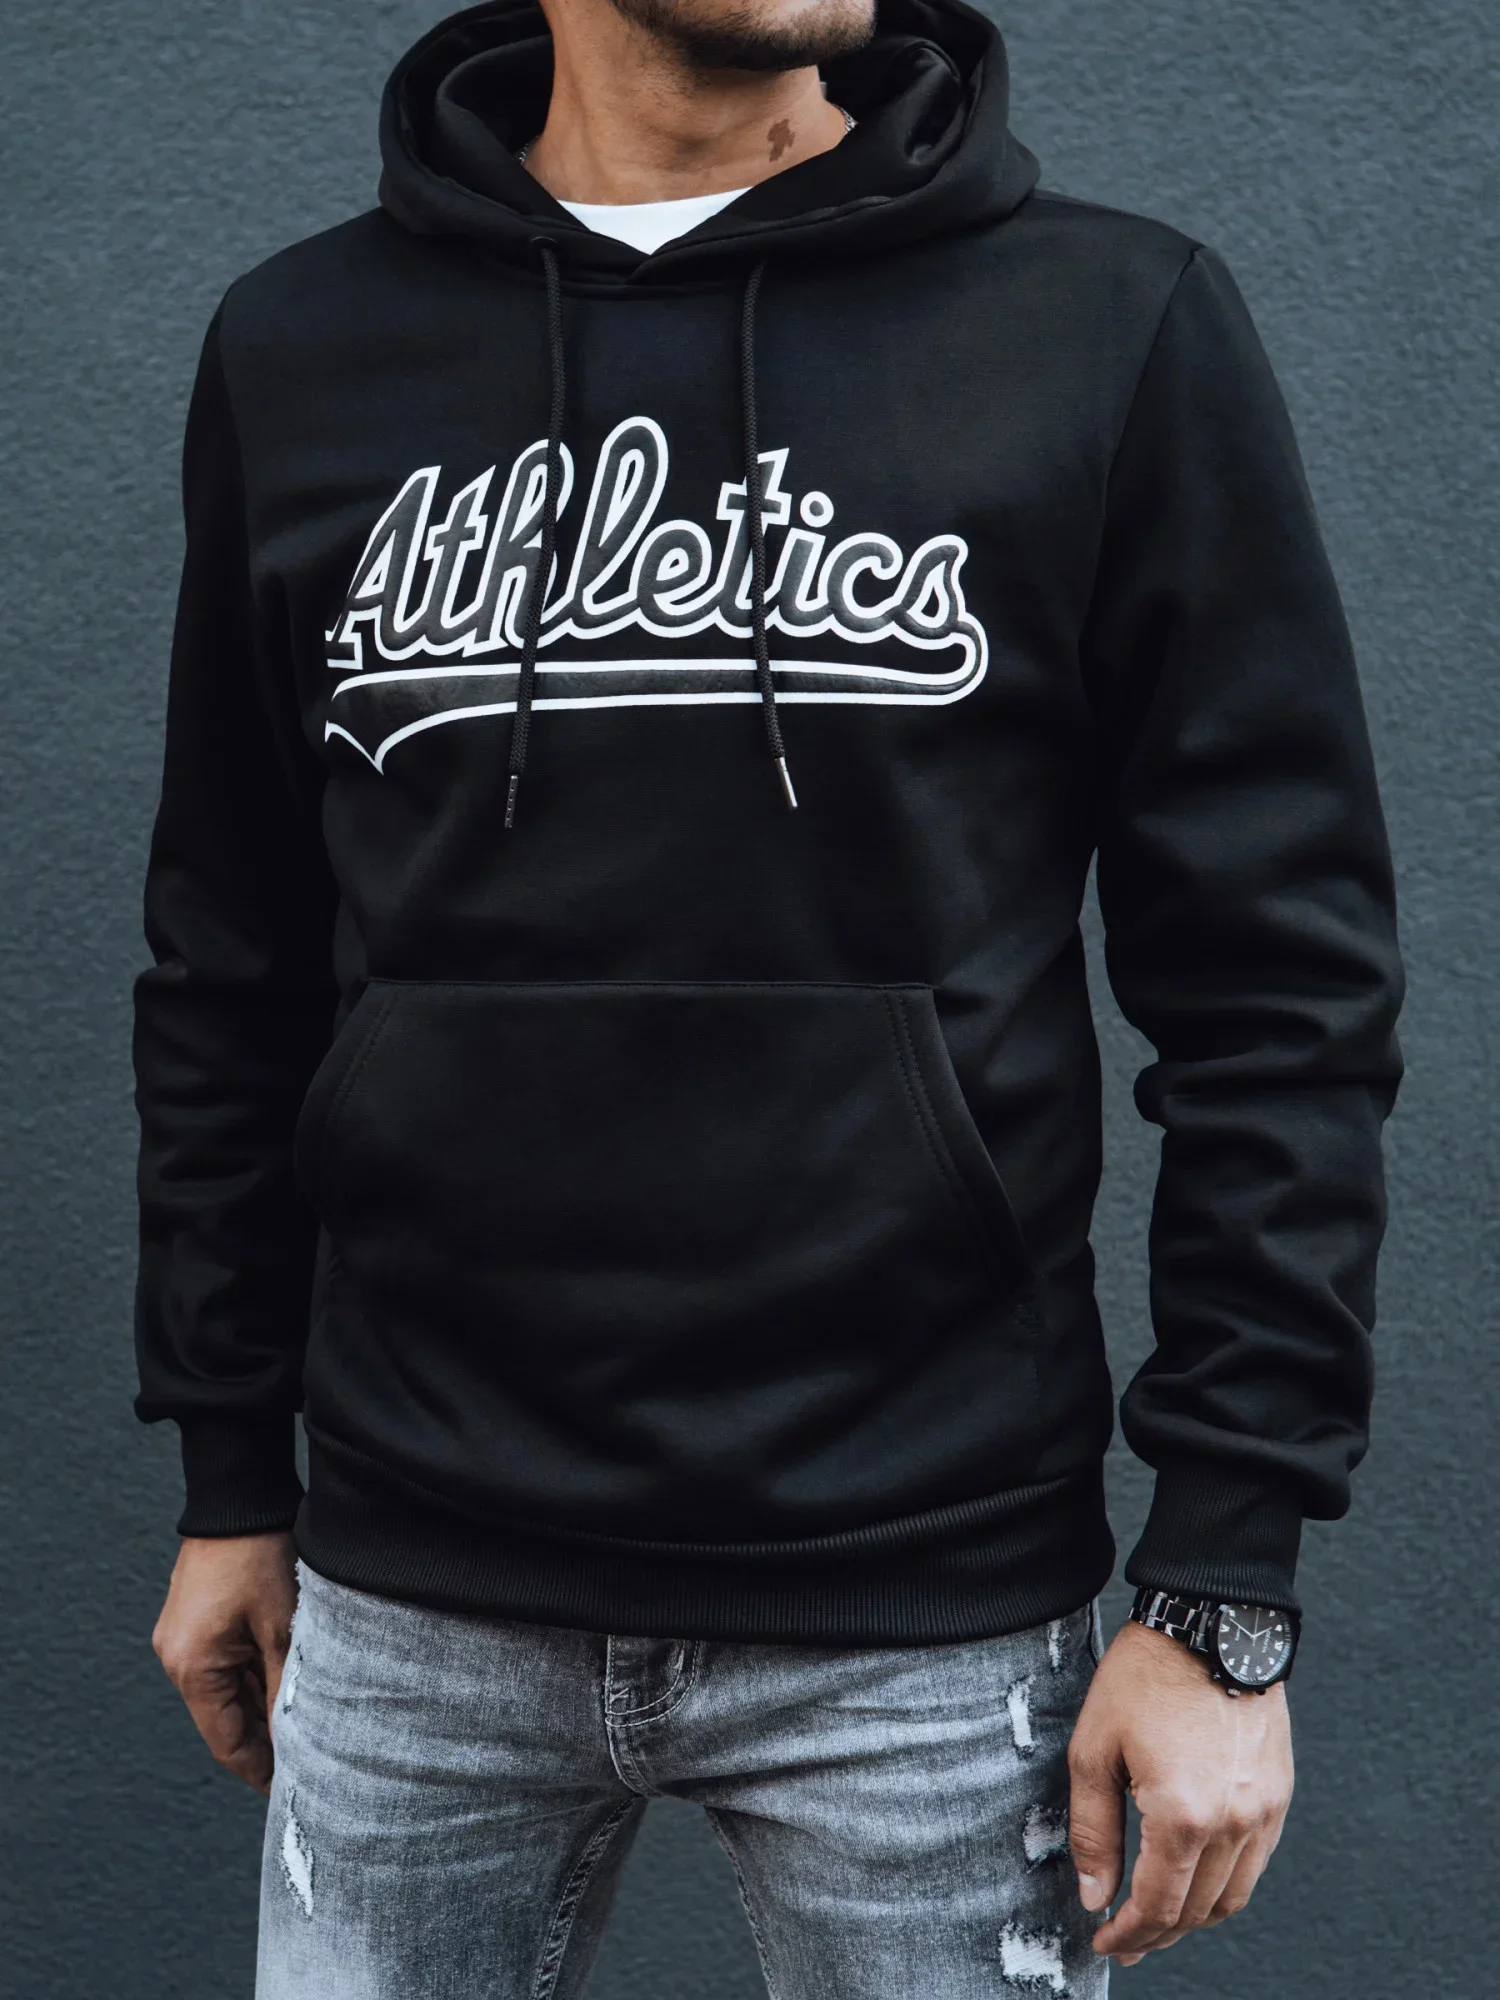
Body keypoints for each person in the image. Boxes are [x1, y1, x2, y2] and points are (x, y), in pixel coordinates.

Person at [134, 0, 1404, 1992]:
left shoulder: (1107, 322)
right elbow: (235, 959)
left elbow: (1278, 989)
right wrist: (230, 1468)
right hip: (410, 1594)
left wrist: (1225, 1578)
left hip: (929, 1609)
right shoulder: (304, 347)